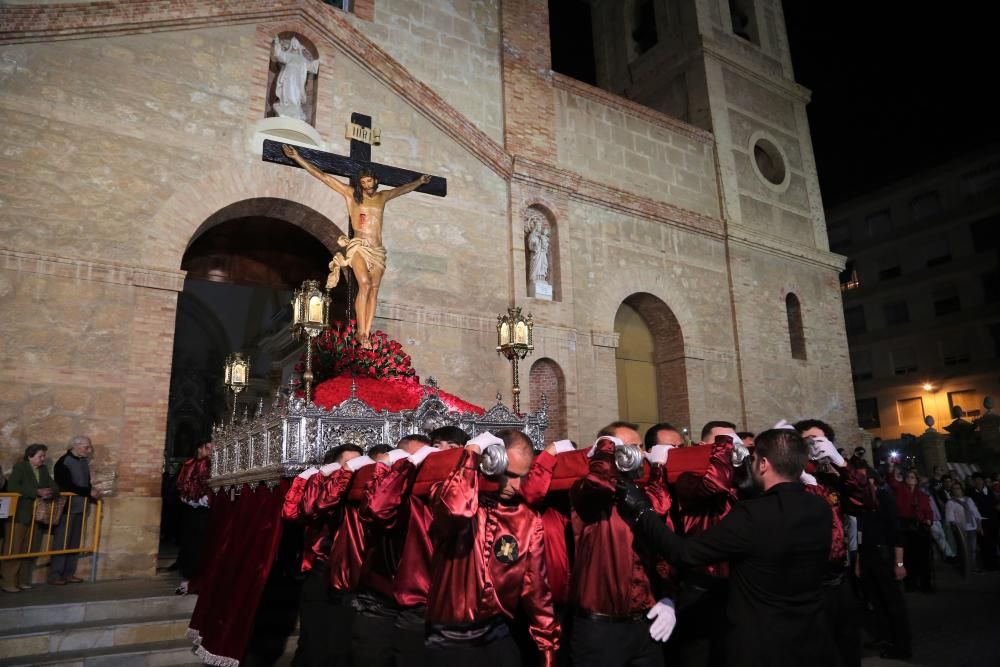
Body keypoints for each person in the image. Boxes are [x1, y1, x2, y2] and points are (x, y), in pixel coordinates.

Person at [616, 428, 835, 667]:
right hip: (810, 632)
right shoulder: (819, 507)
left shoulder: (754, 514)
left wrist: (642, 511)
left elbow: (685, 553)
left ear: (763, 464)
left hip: (762, 641)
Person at [425, 429, 560, 666]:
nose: (517, 486)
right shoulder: (451, 494)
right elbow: (455, 511)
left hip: (497, 636)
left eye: (523, 476)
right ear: (491, 462)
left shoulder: (527, 519)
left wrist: (547, 648)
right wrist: (472, 452)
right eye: (509, 474)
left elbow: (537, 589)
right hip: (445, 639)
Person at [281, 144, 431, 349]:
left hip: (377, 250)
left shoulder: (382, 196)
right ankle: (360, 332)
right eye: (363, 181)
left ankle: (366, 332)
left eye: (369, 180)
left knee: (374, 289)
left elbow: (402, 190)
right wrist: (298, 157)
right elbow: (324, 177)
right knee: (365, 284)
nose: (367, 184)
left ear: (375, 181)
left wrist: (419, 182)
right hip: (359, 247)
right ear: (359, 184)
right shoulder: (352, 195)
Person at [569, 422, 676, 667]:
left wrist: (669, 598)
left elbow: (662, 549)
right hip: (601, 632)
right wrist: (606, 446)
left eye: (641, 447)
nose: (641, 455)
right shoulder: (586, 495)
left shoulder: (643, 495)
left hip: (646, 627)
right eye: (632, 448)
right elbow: (598, 484)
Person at [353, 434, 438, 667]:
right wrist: (405, 464)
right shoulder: (386, 492)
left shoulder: (437, 496)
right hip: (379, 599)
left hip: (419, 603)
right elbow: (378, 509)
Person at [284, 444, 362, 667]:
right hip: (319, 570)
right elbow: (300, 512)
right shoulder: (319, 488)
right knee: (315, 636)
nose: (352, 470)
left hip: (347, 573)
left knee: (340, 638)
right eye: (347, 464)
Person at [857, 466, 911, 659]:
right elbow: (860, 533)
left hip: (884, 555)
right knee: (877, 600)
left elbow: (896, 532)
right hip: (869, 556)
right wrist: (859, 562)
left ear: (872, 479)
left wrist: (899, 563)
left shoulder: (884, 497)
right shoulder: (863, 501)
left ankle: (902, 645)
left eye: (863, 477)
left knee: (893, 602)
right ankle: (884, 636)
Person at [1, 444, 59, 593]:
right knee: (14, 549)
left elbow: (54, 486)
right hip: (20, 514)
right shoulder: (20, 468)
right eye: (40, 456)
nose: (43, 459)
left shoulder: (43, 470)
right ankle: (8, 582)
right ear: (30, 456)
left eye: (44, 456)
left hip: (36, 515)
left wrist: (50, 492)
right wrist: (36, 491)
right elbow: (13, 487)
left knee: (29, 549)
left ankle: (23, 580)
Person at [50, 436, 101, 585]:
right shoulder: (64, 462)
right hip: (67, 507)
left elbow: (86, 482)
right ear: (76, 446)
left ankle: (68, 573)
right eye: (86, 447)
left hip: (81, 506)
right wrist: (88, 492)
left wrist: (92, 491)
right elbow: (66, 486)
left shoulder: (83, 461)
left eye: (89, 447)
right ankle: (55, 575)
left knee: (74, 542)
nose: (89, 450)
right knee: (62, 541)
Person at [886, 461, 933, 591]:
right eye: (908, 477)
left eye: (912, 477)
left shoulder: (923, 495)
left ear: (917, 480)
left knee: (923, 558)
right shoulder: (900, 490)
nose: (909, 479)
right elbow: (893, 482)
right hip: (905, 527)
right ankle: (910, 583)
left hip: (920, 528)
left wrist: (929, 519)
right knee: (907, 557)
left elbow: (928, 510)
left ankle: (925, 584)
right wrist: (891, 467)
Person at [175, 441, 212, 595]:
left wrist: (207, 499)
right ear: (200, 448)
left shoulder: (213, 464)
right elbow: (182, 484)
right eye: (208, 448)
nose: (211, 451)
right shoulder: (189, 464)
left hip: (207, 510)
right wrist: (190, 499)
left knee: (204, 543)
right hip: (191, 510)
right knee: (191, 543)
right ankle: (188, 577)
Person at [271, 36, 319, 121]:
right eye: (293, 43)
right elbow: (279, 55)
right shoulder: (289, 56)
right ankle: (285, 107)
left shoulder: (302, 59)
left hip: (297, 81)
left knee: (296, 93)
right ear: (291, 45)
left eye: (296, 43)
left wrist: (318, 61)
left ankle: (295, 109)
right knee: (287, 92)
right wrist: (277, 44)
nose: (295, 45)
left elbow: (311, 66)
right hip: (288, 78)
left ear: (299, 46)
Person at [944, 482, 982, 574]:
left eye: (958, 488)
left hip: (972, 527)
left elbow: (975, 512)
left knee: (972, 548)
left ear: (962, 489)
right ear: (952, 491)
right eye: (955, 488)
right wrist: (955, 526)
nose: (957, 490)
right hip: (961, 529)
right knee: (963, 549)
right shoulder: (950, 502)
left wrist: (979, 525)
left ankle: (973, 566)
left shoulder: (968, 499)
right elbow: (949, 517)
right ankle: (965, 567)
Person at [966, 472, 998, 570]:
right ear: (973, 482)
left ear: (983, 480)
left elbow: (995, 505)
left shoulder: (990, 491)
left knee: (994, 543)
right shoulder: (970, 493)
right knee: (984, 544)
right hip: (980, 523)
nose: (978, 481)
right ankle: (988, 565)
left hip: (994, 521)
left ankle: (995, 564)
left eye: (979, 479)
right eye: (975, 480)